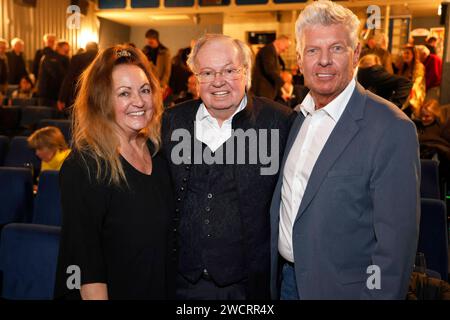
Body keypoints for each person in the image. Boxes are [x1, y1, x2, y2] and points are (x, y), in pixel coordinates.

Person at [270, 0, 420, 300]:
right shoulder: (296, 118)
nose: (323, 61)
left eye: (336, 48)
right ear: (299, 60)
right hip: (286, 281)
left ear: (356, 54)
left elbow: (395, 249)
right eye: (313, 50)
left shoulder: (391, 127)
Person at [162, 34, 294, 300]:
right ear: (194, 78)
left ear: (245, 71)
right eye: (207, 72)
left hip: (249, 288)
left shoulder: (280, 122)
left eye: (230, 70)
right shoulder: (172, 121)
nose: (218, 81)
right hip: (181, 284)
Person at [54, 45, 176, 300]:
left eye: (145, 90)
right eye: (124, 93)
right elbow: (87, 270)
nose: (140, 102)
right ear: (102, 101)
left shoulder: (159, 154)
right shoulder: (85, 167)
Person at [58, 42, 99, 112]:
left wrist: (62, 98)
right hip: (97, 97)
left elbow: (68, 79)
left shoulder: (76, 58)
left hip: (78, 97)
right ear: (97, 48)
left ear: (86, 48)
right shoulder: (102, 59)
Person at [251, 35, 291, 100]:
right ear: (279, 42)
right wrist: (283, 84)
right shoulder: (268, 50)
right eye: (286, 47)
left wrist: (281, 94)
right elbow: (270, 71)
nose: (285, 50)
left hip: (268, 92)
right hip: (262, 92)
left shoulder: (273, 52)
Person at [37, 41, 70, 107]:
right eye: (65, 50)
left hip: (51, 94)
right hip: (50, 94)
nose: (67, 52)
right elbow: (59, 76)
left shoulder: (58, 59)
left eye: (68, 50)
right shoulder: (52, 59)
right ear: (58, 47)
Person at [396, 45, 426, 117]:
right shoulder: (403, 67)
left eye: (407, 53)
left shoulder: (419, 66)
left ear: (414, 55)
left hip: (412, 98)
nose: (405, 55)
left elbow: (417, 83)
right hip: (404, 96)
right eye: (404, 53)